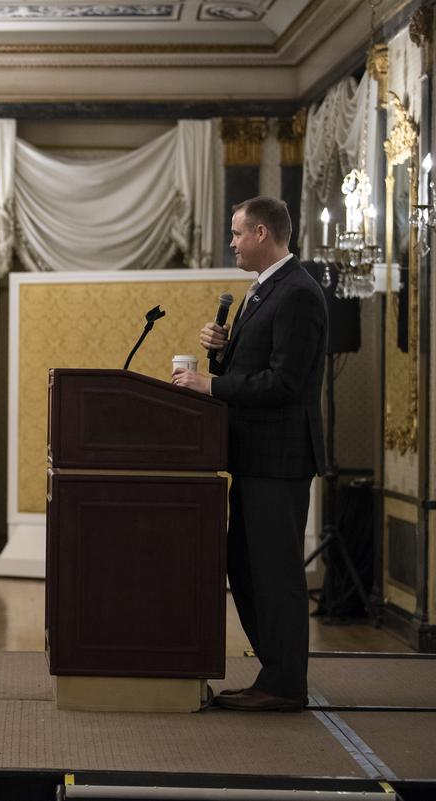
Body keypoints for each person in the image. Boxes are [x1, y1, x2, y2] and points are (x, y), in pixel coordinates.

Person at [174, 196, 326, 713]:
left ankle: (284, 683)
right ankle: (274, 672)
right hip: (253, 456)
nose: (232, 243)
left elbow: (284, 382)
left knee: (275, 574)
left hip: (279, 458)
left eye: (237, 234)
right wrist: (220, 349)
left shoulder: (298, 293)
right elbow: (253, 367)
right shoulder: (262, 292)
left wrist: (210, 385)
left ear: (262, 233)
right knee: (245, 566)